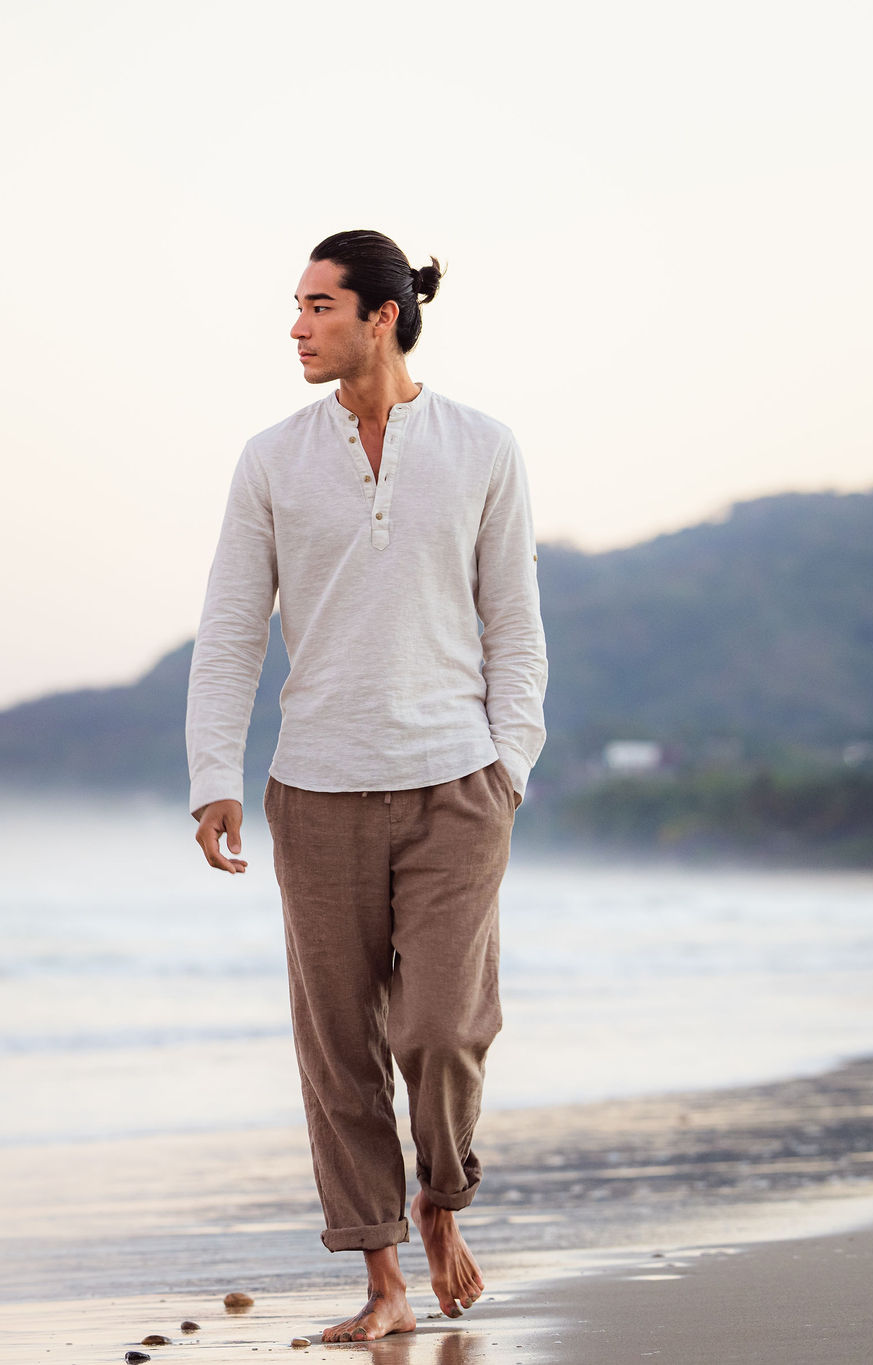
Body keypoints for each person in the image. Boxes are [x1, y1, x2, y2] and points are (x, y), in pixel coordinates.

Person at [184, 229, 548, 1344]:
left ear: (380, 316)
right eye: (294, 308)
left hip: (455, 784)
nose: (294, 327)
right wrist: (215, 778)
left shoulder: (481, 447)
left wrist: (508, 766)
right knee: (337, 1046)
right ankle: (383, 1278)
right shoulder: (270, 458)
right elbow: (231, 631)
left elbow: (513, 627)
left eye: (316, 307)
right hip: (318, 788)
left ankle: (441, 1196)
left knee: (440, 1029)